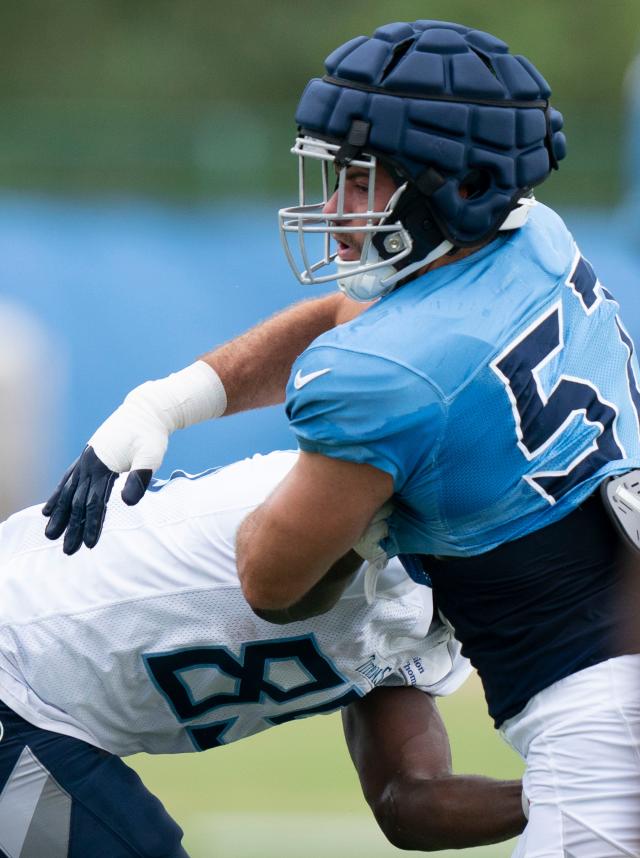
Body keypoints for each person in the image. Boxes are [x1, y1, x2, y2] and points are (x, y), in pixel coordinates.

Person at [43, 20, 640, 856]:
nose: (332, 207)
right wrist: (169, 401)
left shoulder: (392, 380)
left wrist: (359, 516)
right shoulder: (535, 242)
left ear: (455, 183)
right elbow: (363, 315)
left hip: (596, 719)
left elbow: (274, 580)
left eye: (358, 180)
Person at [0, 450, 526, 856]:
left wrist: (565, 788)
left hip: (41, 704)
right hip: (15, 656)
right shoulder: (348, 512)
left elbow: (407, 800)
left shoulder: (438, 615)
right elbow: (279, 593)